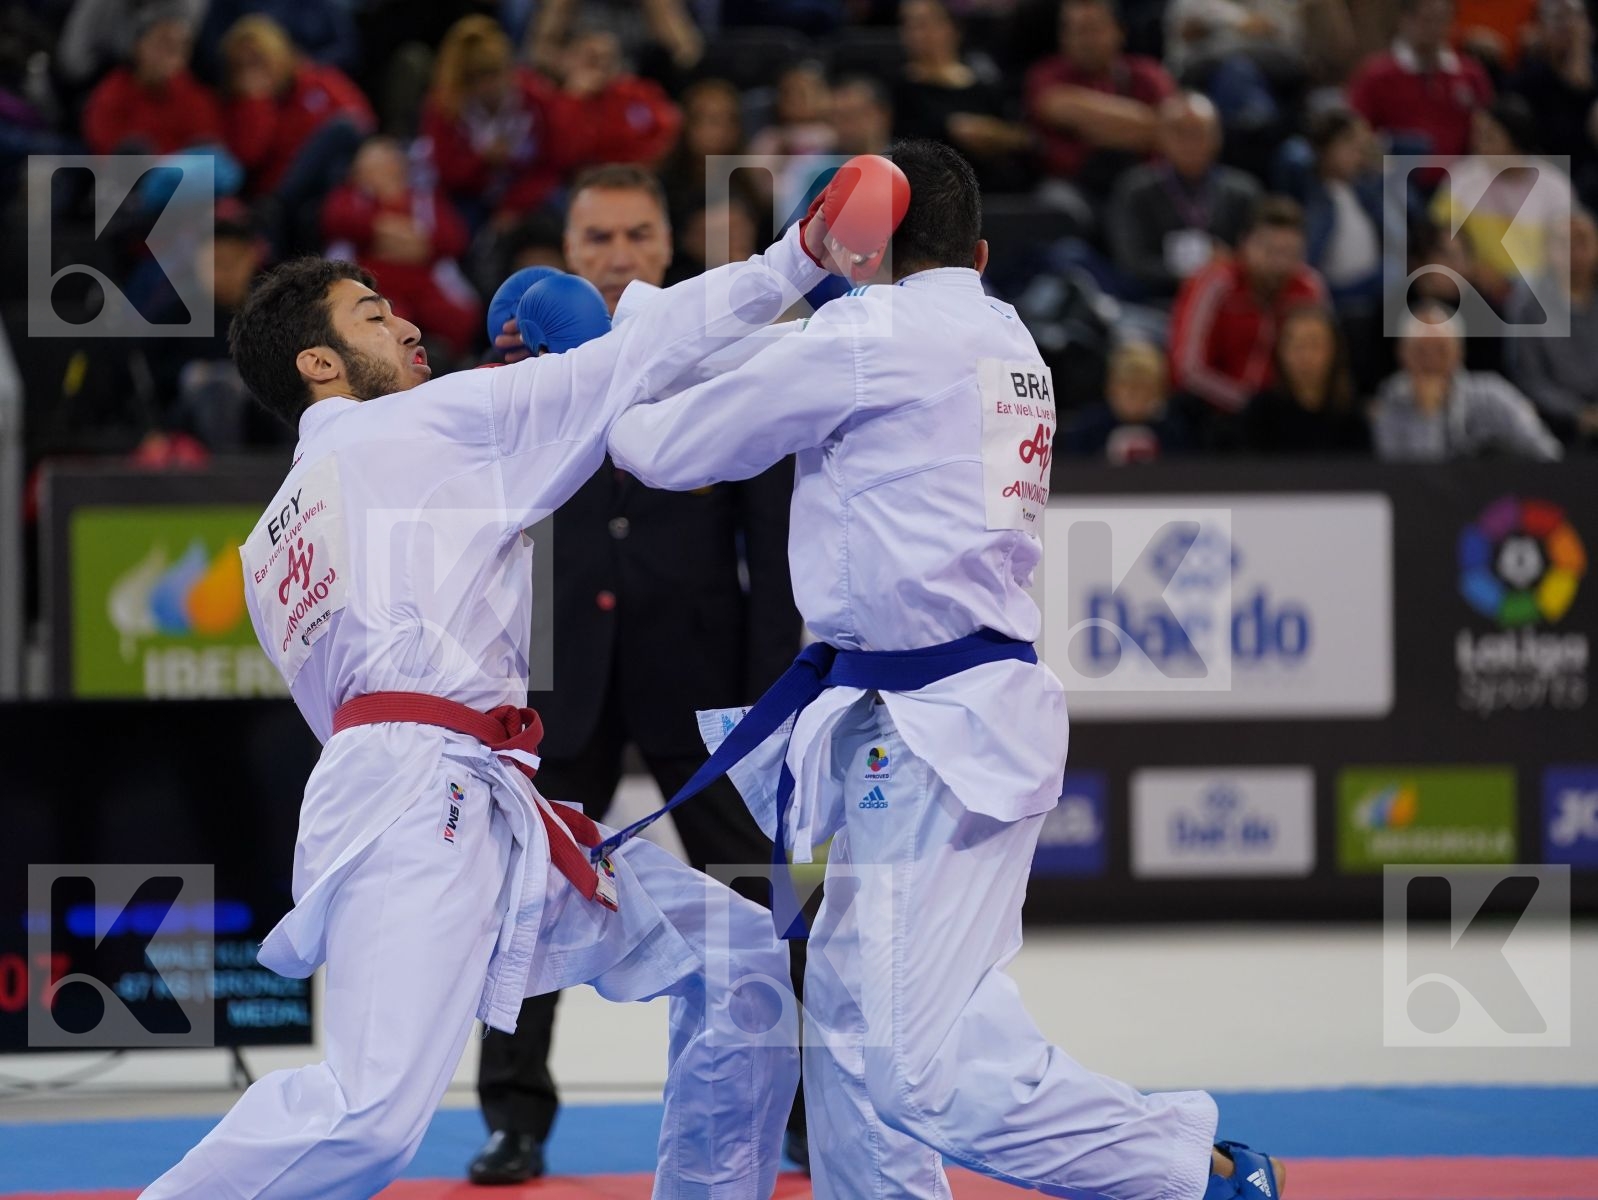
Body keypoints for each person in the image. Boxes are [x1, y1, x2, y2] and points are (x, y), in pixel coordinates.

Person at [138, 187, 853, 1200]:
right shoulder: (424, 426)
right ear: (320, 365)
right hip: (426, 799)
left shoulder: (273, 540)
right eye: (374, 316)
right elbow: (643, 353)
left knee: (734, 953)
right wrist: (798, 256)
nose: (410, 321)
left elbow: (344, 715)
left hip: (438, 788)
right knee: (371, 1117)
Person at [606, 138, 1286, 1200]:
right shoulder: (1004, 336)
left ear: (865, 247)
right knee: (845, 1014)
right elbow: (778, 369)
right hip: (930, 714)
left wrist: (592, 364)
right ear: (974, 249)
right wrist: (647, 319)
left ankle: (1189, 1172)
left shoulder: (868, 332)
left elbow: (666, 451)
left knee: (911, 1075)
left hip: (924, 734)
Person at [467, 164, 808, 1186]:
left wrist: (764, 701)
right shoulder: (512, 371)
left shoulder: (729, 355)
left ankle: (794, 1111)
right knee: (530, 902)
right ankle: (512, 1120)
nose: (617, 256)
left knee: (763, 896)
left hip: (703, 681)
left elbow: (773, 543)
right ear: (564, 253)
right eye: (596, 239)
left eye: (636, 236)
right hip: (558, 678)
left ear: (669, 247)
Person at [1169, 194, 1327, 444]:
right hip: (1215, 414)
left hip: (1285, 417)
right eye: (1270, 251)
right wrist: (1249, 404)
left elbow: (1324, 356)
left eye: (1290, 253)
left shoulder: (1309, 289)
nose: (1279, 263)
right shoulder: (1215, 284)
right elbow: (1189, 368)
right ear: (1245, 244)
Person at [321, 136, 481, 362]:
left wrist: (417, 243)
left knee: (457, 317)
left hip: (425, 284)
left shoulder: (423, 200)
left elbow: (454, 237)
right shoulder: (351, 197)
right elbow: (336, 219)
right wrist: (380, 228)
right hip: (374, 285)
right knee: (381, 320)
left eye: (384, 164)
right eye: (369, 167)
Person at [1105, 91, 1261, 302]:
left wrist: (1231, 265)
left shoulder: (1243, 192)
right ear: (1160, 137)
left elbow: (1258, 259)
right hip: (1153, 302)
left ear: (1217, 137)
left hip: (1225, 306)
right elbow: (1131, 263)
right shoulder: (1136, 189)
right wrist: (1197, 273)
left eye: (1199, 132)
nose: (1190, 142)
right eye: (1179, 132)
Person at [1026, 0, 1176, 204]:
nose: (1084, 40)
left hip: (1143, 183)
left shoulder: (1149, 75)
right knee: (1056, 203)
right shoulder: (1045, 74)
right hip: (1074, 184)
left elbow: (1171, 130)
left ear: (1120, 31)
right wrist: (1141, 124)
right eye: (1075, 31)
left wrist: (1086, 124)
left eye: (1093, 30)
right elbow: (1056, 106)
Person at [1371, 302, 1563, 459]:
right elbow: (1406, 477)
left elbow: (1547, 452)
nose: (1431, 361)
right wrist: (1427, 416)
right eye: (1420, 351)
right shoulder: (1391, 401)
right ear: (1403, 355)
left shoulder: (1493, 394)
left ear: (1459, 353)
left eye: (1441, 350)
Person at [1347, 0, 1493, 161]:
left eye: (1442, 20)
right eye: (1427, 20)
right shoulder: (1376, 75)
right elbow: (1356, 131)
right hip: (1395, 176)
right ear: (1405, 19)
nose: (1435, 29)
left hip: (1459, 177)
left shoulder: (1470, 74)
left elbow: (1486, 131)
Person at [1505, 208, 1598, 443]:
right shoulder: (1528, 306)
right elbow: (1528, 377)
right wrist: (1578, 413)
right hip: (1557, 424)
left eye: (1582, 241)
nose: (1574, 251)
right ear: (1547, 251)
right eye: (1564, 243)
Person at [81, 10, 224, 156]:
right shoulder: (113, 93)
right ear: (138, 46)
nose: (171, 52)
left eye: (180, 46)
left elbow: (208, 152)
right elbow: (106, 148)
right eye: (163, 42)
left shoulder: (197, 99)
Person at [1240, 305, 1370, 453]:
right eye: (1296, 345)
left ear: (1335, 351)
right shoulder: (1261, 413)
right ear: (1280, 352)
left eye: (1314, 344)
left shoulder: (1351, 416)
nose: (1304, 357)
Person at [1062, 339, 1190, 462]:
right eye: (1126, 385)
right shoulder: (1088, 427)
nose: (1134, 394)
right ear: (1111, 388)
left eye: (1143, 386)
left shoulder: (1172, 432)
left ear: (1159, 391)